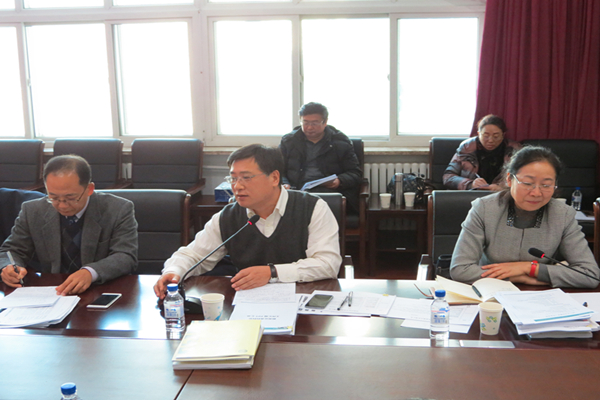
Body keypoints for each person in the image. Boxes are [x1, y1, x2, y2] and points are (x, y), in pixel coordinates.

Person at [153, 144, 342, 299]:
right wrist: (174, 272)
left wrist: (272, 272)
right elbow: (193, 255)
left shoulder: (312, 207)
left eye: (246, 178)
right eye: (233, 178)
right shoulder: (228, 216)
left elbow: (328, 263)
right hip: (248, 304)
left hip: (304, 300)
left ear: (274, 177)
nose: (237, 186)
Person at [450, 146, 599, 288]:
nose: (536, 193)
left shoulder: (563, 214)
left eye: (546, 185)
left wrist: (529, 268)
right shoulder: (484, 208)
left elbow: (590, 275)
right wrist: (518, 277)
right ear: (509, 179)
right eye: (527, 183)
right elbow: (460, 269)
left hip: (543, 297)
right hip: (491, 295)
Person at [0, 155, 138, 295]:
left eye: (70, 198)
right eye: (53, 197)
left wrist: (90, 272)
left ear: (89, 189)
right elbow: (11, 250)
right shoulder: (32, 210)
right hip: (53, 291)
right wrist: (9, 267)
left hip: (99, 290)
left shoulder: (118, 209)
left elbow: (125, 256)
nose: (62, 205)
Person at [279, 102, 362, 214]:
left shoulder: (340, 142)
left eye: (314, 123)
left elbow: (355, 173)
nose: (309, 127)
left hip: (328, 193)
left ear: (325, 122)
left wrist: (340, 181)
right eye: (305, 123)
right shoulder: (289, 141)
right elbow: (277, 169)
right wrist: (284, 183)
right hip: (297, 190)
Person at [443, 114, 521, 190]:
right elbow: (448, 177)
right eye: (486, 136)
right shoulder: (467, 148)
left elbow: (522, 179)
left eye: (496, 136)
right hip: (472, 194)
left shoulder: (514, 150)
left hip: (501, 194)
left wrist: (502, 187)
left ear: (503, 135)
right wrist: (470, 184)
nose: (490, 140)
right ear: (478, 134)